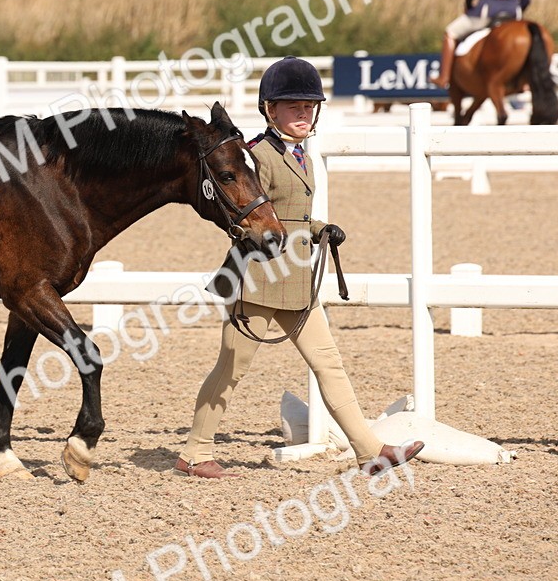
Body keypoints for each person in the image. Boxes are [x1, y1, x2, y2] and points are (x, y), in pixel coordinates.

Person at [176, 56, 424, 479]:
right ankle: (195, 452)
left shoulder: (299, 155)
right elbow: (248, 212)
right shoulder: (257, 157)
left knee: (329, 363)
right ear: (269, 110)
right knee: (231, 370)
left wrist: (320, 227)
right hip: (256, 280)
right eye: (293, 106)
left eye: (309, 106)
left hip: (295, 283)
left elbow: (289, 214)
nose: (303, 113)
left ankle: (369, 451)